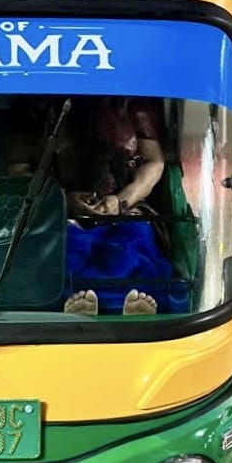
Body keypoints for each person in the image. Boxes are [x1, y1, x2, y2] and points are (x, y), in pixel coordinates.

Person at [57, 96, 173, 316]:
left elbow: (154, 162)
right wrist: (64, 200)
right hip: (62, 210)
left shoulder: (136, 102)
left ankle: (133, 307)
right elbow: (21, 170)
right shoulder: (41, 104)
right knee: (69, 244)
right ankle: (80, 307)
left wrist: (121, 201)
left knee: (135, 237)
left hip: (126, 205)